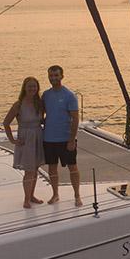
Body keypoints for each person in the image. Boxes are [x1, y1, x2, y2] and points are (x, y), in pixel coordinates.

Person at [41, 64, 82, 206]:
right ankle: (55, 194)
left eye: (56, 75)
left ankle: (77, 195)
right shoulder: (46, 95)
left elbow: (76, 119)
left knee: (73, 167)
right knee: (52, 168)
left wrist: (71, 140)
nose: (53, 78)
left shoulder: (69, 96)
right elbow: (42, 113)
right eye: (51, 76)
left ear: (62, 76)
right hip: (49, 138)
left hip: (65, 139)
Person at [3, 76, 46, 209]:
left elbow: (42, 120)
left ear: (37, 88)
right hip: (26, 139)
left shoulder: (40, 103)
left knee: (35, 169)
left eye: (34, 86)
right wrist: (12, 140)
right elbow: (6, 123)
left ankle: (32, 196)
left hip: (38, 137)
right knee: (29, 171)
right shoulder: (18, 104)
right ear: (24, 88)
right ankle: (26, 200)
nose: (32, 88)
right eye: (29, 86)